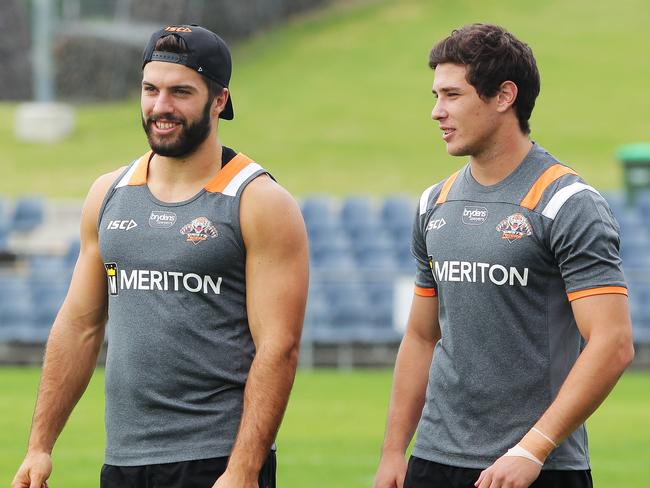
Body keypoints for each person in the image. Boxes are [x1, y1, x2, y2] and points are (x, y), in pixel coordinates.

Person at [12, 24, 309, 488]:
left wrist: (244, 469)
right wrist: (39, 446)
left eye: (180, 92)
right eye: (150, 89)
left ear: (219, 101)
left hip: (216, 461)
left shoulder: (258, 201)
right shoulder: (108, 193)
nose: (160, 106)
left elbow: (279, 347)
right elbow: (79, 325)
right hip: (124, 462)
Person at [374, 23, 634, 488]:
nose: (437, 112)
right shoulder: (435, 203)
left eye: (452, 95)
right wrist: (395, 452)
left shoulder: (567, 203)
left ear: (503, 96)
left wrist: (532, 449)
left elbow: (612, 344)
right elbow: (419, 336)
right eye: (435, 95)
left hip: (536, 466)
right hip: (433, 462)